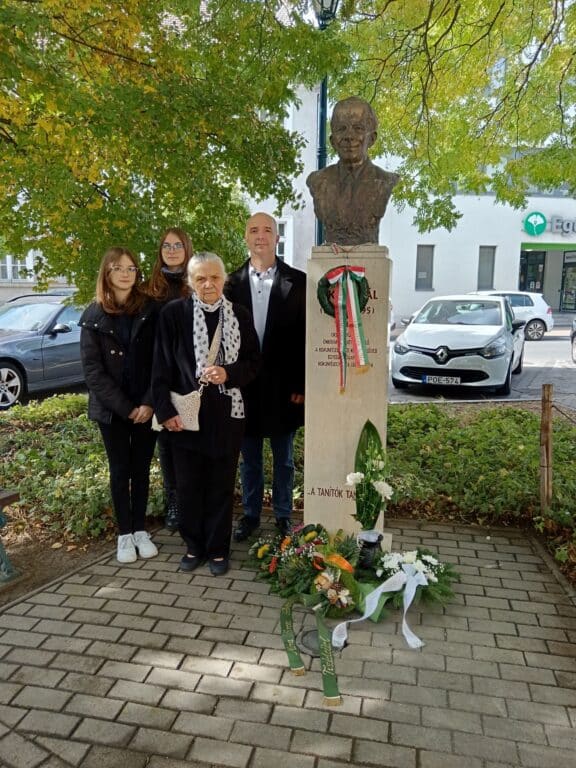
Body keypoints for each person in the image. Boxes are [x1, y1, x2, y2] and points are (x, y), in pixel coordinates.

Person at [152, 252, 260, 576]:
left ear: (224, 280)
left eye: (214, 277)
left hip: (227, 417)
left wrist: (229, 374)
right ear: (190, 282)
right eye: (201, 278)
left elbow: (254, 363)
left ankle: (217, 549)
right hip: (185, 416)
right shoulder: (174, 314)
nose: (208, 284)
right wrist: (164, 411)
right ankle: (193, 546)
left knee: (220, 486)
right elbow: (160, 366)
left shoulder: (239, 315)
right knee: (187, 486)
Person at [225, 212, 306, 542]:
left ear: (277, 237)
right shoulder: (229, 284)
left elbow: (304, 337)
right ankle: (251, 514)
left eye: (267, 230)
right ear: (246, 237)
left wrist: (301, 384)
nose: (261, 235)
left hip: (285, 387)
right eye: (254, 230)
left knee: (284, 459)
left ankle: (284, 515)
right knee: (250, 460)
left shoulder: (298, 282)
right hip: (244, 386)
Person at [80, 247, 159, 564]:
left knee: (141, 470)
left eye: (131, 268)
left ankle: (140, 529)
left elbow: (160, 361)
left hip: (146, 407)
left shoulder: (150, 310)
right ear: (107, 273)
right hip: (112, 411)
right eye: (118, 268)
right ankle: (124, 534)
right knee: (120, 470)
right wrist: (127, 408)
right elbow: (93, 373)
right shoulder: (93, 315)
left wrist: (149, 402)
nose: (126, 274)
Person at [144, 227, 193, 532]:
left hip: (190, 377)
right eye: (166, 246)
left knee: (192, 441)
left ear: (187, 249)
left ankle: (192, 501)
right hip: (160, 376)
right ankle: (173, 500)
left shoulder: (196, 284)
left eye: (177, 245)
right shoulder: (149, 290)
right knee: (167, 443)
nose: (172, 250)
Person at [306, 96, 400, 246]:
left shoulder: (384, 181)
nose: (349, 136)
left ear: (372, 138)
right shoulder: (318, 181)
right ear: (332, 140)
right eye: (341, 129)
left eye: (358, 128)